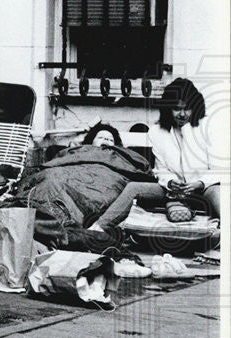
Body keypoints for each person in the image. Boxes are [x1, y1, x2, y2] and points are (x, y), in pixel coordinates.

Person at [92, 78, 221, 231]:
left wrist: (199, 183)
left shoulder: (208, 126)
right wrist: (171, 183)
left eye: (187, 108)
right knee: (134, 188)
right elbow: (160, 171)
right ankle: (97, 229)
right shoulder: (157, 132)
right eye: (176, 109)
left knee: (220, 193)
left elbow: (220, 169)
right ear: (167, 108)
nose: (182, 114)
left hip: (204, 190)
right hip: (172, 192)